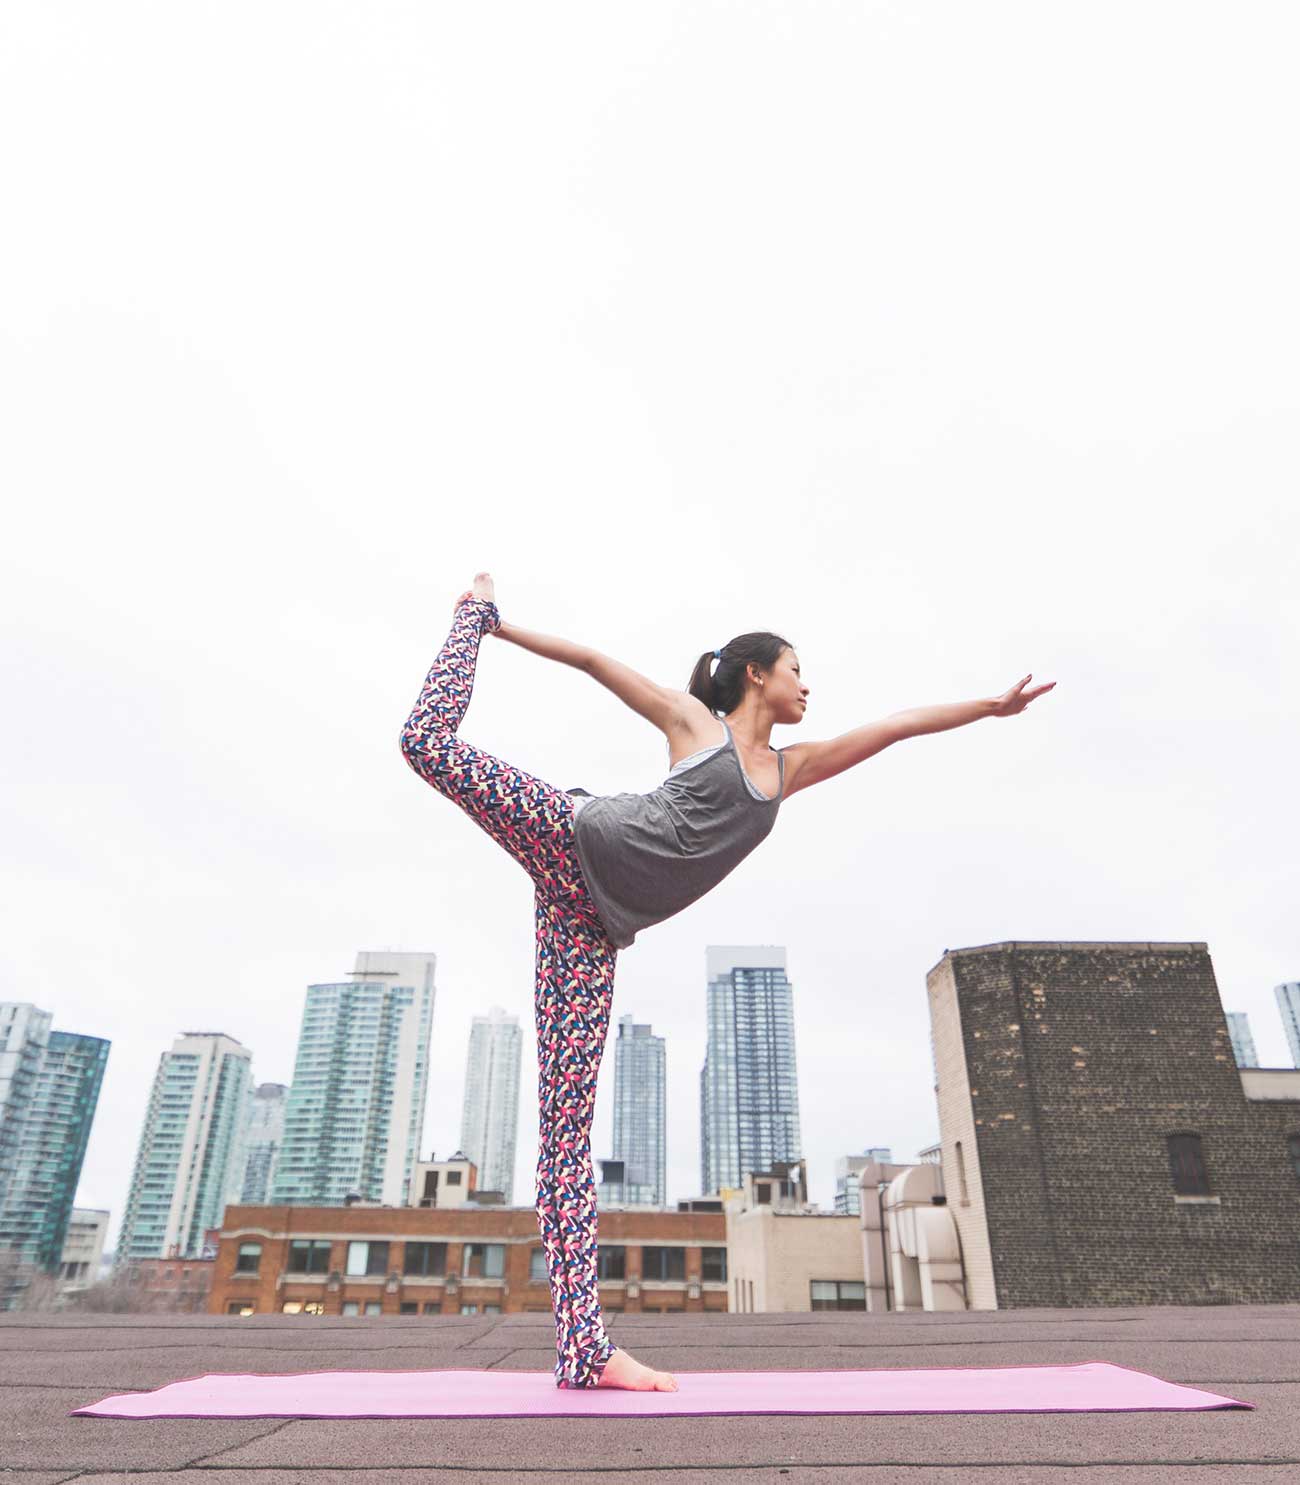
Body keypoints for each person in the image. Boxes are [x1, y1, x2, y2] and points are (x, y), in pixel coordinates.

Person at [399, 572, 1054, 1390]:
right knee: (424, 742)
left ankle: (585, 1350)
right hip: (574, 835)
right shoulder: (693, 725)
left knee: (566, 1129)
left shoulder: (788, 771)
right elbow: (598, 662)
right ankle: (466, 616)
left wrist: (987, 709)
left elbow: (891, 729)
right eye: (796, 668)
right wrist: (496, 627)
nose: (806, 684)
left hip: (592, 924)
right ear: (757, 674)